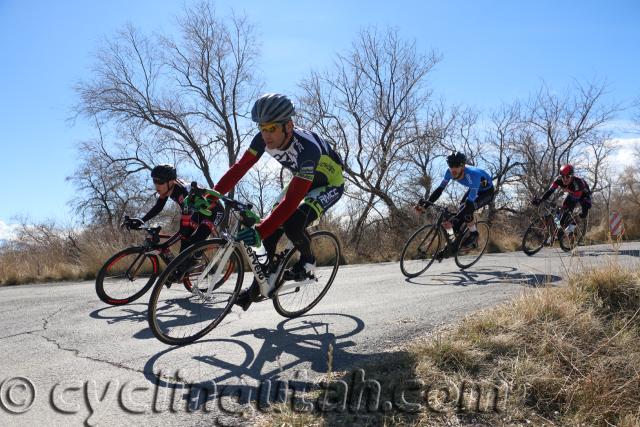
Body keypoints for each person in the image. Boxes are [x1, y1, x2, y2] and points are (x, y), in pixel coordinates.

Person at [213, 93, 345, 310]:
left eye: (272, 128)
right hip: (303, 180)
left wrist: (261, 230)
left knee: (292, 222)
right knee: (268, 237)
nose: (266, 135)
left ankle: (308, 260)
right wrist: (212, 195)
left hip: (329, 184)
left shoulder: (307, 149)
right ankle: (257, 289)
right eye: (262, 128)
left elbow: (292, 202)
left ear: (288, 126)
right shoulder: (262, 139)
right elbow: (239, 168)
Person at [123, 164, 225, 280]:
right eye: (154, 181)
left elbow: (183, 228)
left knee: (195, 241)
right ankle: (182, 273)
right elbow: (158, 207)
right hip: (196, 211)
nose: (157, 185)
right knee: (184, 243)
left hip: (214, 212)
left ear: (171, 181)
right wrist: (142, 220)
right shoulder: (168, 188)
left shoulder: (183, 193)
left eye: (159, 182)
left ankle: (195, 259)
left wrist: (165, 245)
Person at [417, 151, 494, 251]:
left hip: (486, 193)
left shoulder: (472, 175)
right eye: (451, 165)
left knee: (466, 211)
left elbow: (470, 203)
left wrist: (456, 219)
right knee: (457, 215)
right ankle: (451, 244)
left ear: (462, 166)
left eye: (456, 166)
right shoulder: (449, 172)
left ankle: (474, 234)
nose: (453, 169)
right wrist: (426, 204)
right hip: (474, 188)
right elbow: (440, 189)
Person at [531, 164, 591, 230]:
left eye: (567, 176)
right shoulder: (558, 180)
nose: (565, 179)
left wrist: (564, 217)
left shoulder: (577, 183)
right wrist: (540, 200)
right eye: (563, 176)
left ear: (572, 176)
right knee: (562, 210)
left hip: (583, 194)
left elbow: (574, 201)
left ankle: (571, 227)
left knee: (583, 210)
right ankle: (559, 229)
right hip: (572, 193)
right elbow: (550, 191)